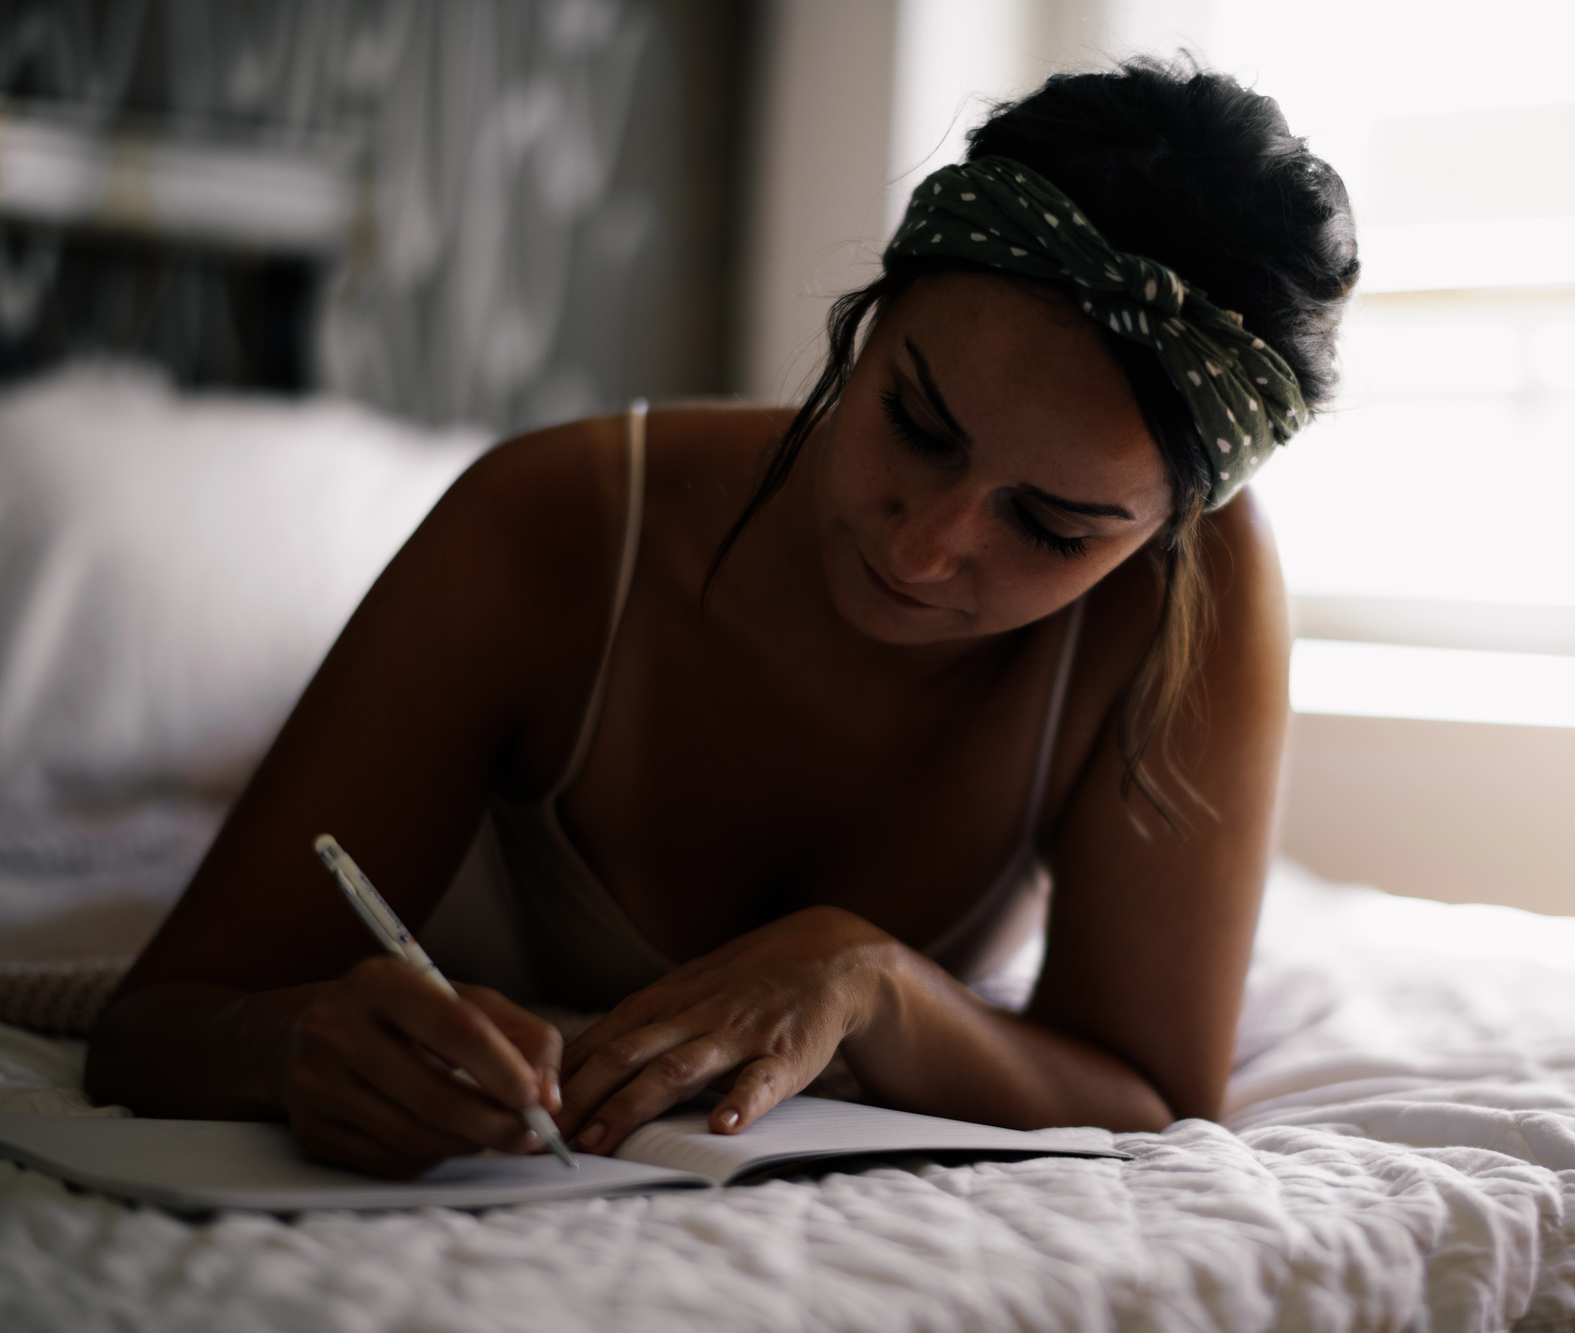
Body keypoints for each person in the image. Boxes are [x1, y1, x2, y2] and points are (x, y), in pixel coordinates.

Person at [84, 59, 1359, 1179]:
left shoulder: (1191, 602)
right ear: (862, 330)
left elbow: (1153, 1094)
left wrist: (869, 980)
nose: (924, 548)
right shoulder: (553, 523)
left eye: (1055, 528)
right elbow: (159, 1021)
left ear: (1160, 532)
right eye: (915, 424)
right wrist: (299, 1041)